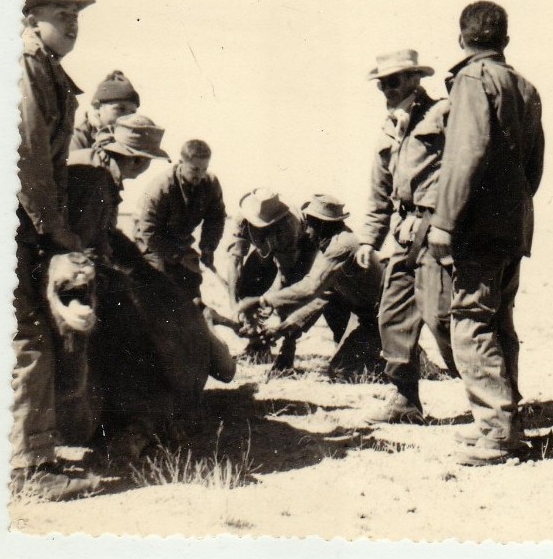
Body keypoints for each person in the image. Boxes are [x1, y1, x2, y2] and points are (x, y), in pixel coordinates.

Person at [428, 1, 545, 466]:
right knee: (499, 320)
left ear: (462, 38)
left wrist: (444, 221)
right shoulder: (526, 86)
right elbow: (534, 165)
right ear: (505, 40)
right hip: (512, 224)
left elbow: (465, 153)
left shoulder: (472, 80)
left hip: (477, 227)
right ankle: (506, 424)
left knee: (472, 321)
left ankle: (497, 433)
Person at [13, 0, 101, 499]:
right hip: (16, 221)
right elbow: (28, 159)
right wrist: (57, 232)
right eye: (59, 13)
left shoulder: (46, 69)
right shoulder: (26, 67)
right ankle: (27, 470)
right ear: (30, 19)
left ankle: (33, 455)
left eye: (75, 15)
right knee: (26, 336)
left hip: (25, 221)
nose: (71, 22)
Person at [354, 49, 458, 423]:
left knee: (442, 317)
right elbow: (380, 192)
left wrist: (440, 219)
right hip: (403, 234)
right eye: (381, 83)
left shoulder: (444, 114)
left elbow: (462, 168)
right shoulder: (389, 128)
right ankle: (404, 399)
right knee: (392, 314)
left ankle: (490, 396)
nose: (386, 89)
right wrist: (369, 239)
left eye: (393, 81)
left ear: (416, 79)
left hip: (436, 228)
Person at [238, 195, 385, 380]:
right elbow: (321, 296)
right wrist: (283, 329)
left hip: (380, 316)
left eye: (310, 224)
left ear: (322, 224)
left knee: (341, 371)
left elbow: (311, 288)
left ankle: (401, 358)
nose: (306, 231)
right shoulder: (331, 246)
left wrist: (262, 301)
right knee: (343, 363)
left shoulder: (342, 246)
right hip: (365, 314)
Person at [226, 188, 317, 371]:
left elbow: (286, 276)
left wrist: (269, 305)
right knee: (246, 287)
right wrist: (235, 305)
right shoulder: (242, 219)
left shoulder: (288, 226)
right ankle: (257, 346)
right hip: (265, 251)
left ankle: (287, 350)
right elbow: (235, 261)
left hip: (299, 251)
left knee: (288, 300)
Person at [134, 139, 226, 303]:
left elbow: (216, 218)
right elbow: (149, 231)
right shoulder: (161, 187)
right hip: (152, 242)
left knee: (192, 279)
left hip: (180, 240)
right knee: (161, 282)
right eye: (195, 169)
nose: (200, 175)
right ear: (181, 163)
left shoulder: (211, 184)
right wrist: (180, 257)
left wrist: (208, 247)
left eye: (204, 169)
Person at [67, 114, 169, 257]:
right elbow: (81, 243)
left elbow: (106, 235)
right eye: (149, 160)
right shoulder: (96, 179)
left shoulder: (103, 169)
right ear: (137, 161)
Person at [71, 70, 141, 151]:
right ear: (97, 107)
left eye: (132, 112)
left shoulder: (127, 139)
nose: (128, 118)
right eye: (121, 109)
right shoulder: (76, 138)